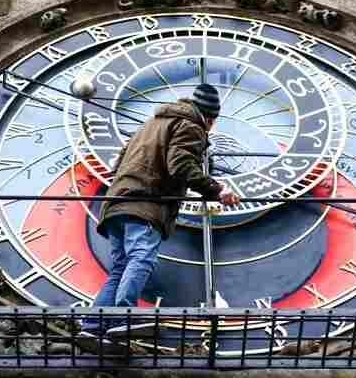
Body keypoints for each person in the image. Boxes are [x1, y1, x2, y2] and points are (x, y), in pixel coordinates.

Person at [77, 83, 240, 350]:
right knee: (141, 259)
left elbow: (117, 164)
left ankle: (93, 326)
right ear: (210, 118)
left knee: (119, 268)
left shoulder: (150, 123)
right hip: (146, 203)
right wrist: (217, 189)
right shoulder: (191, 125)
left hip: (117, 202)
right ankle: (124, 317)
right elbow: (180, 166)